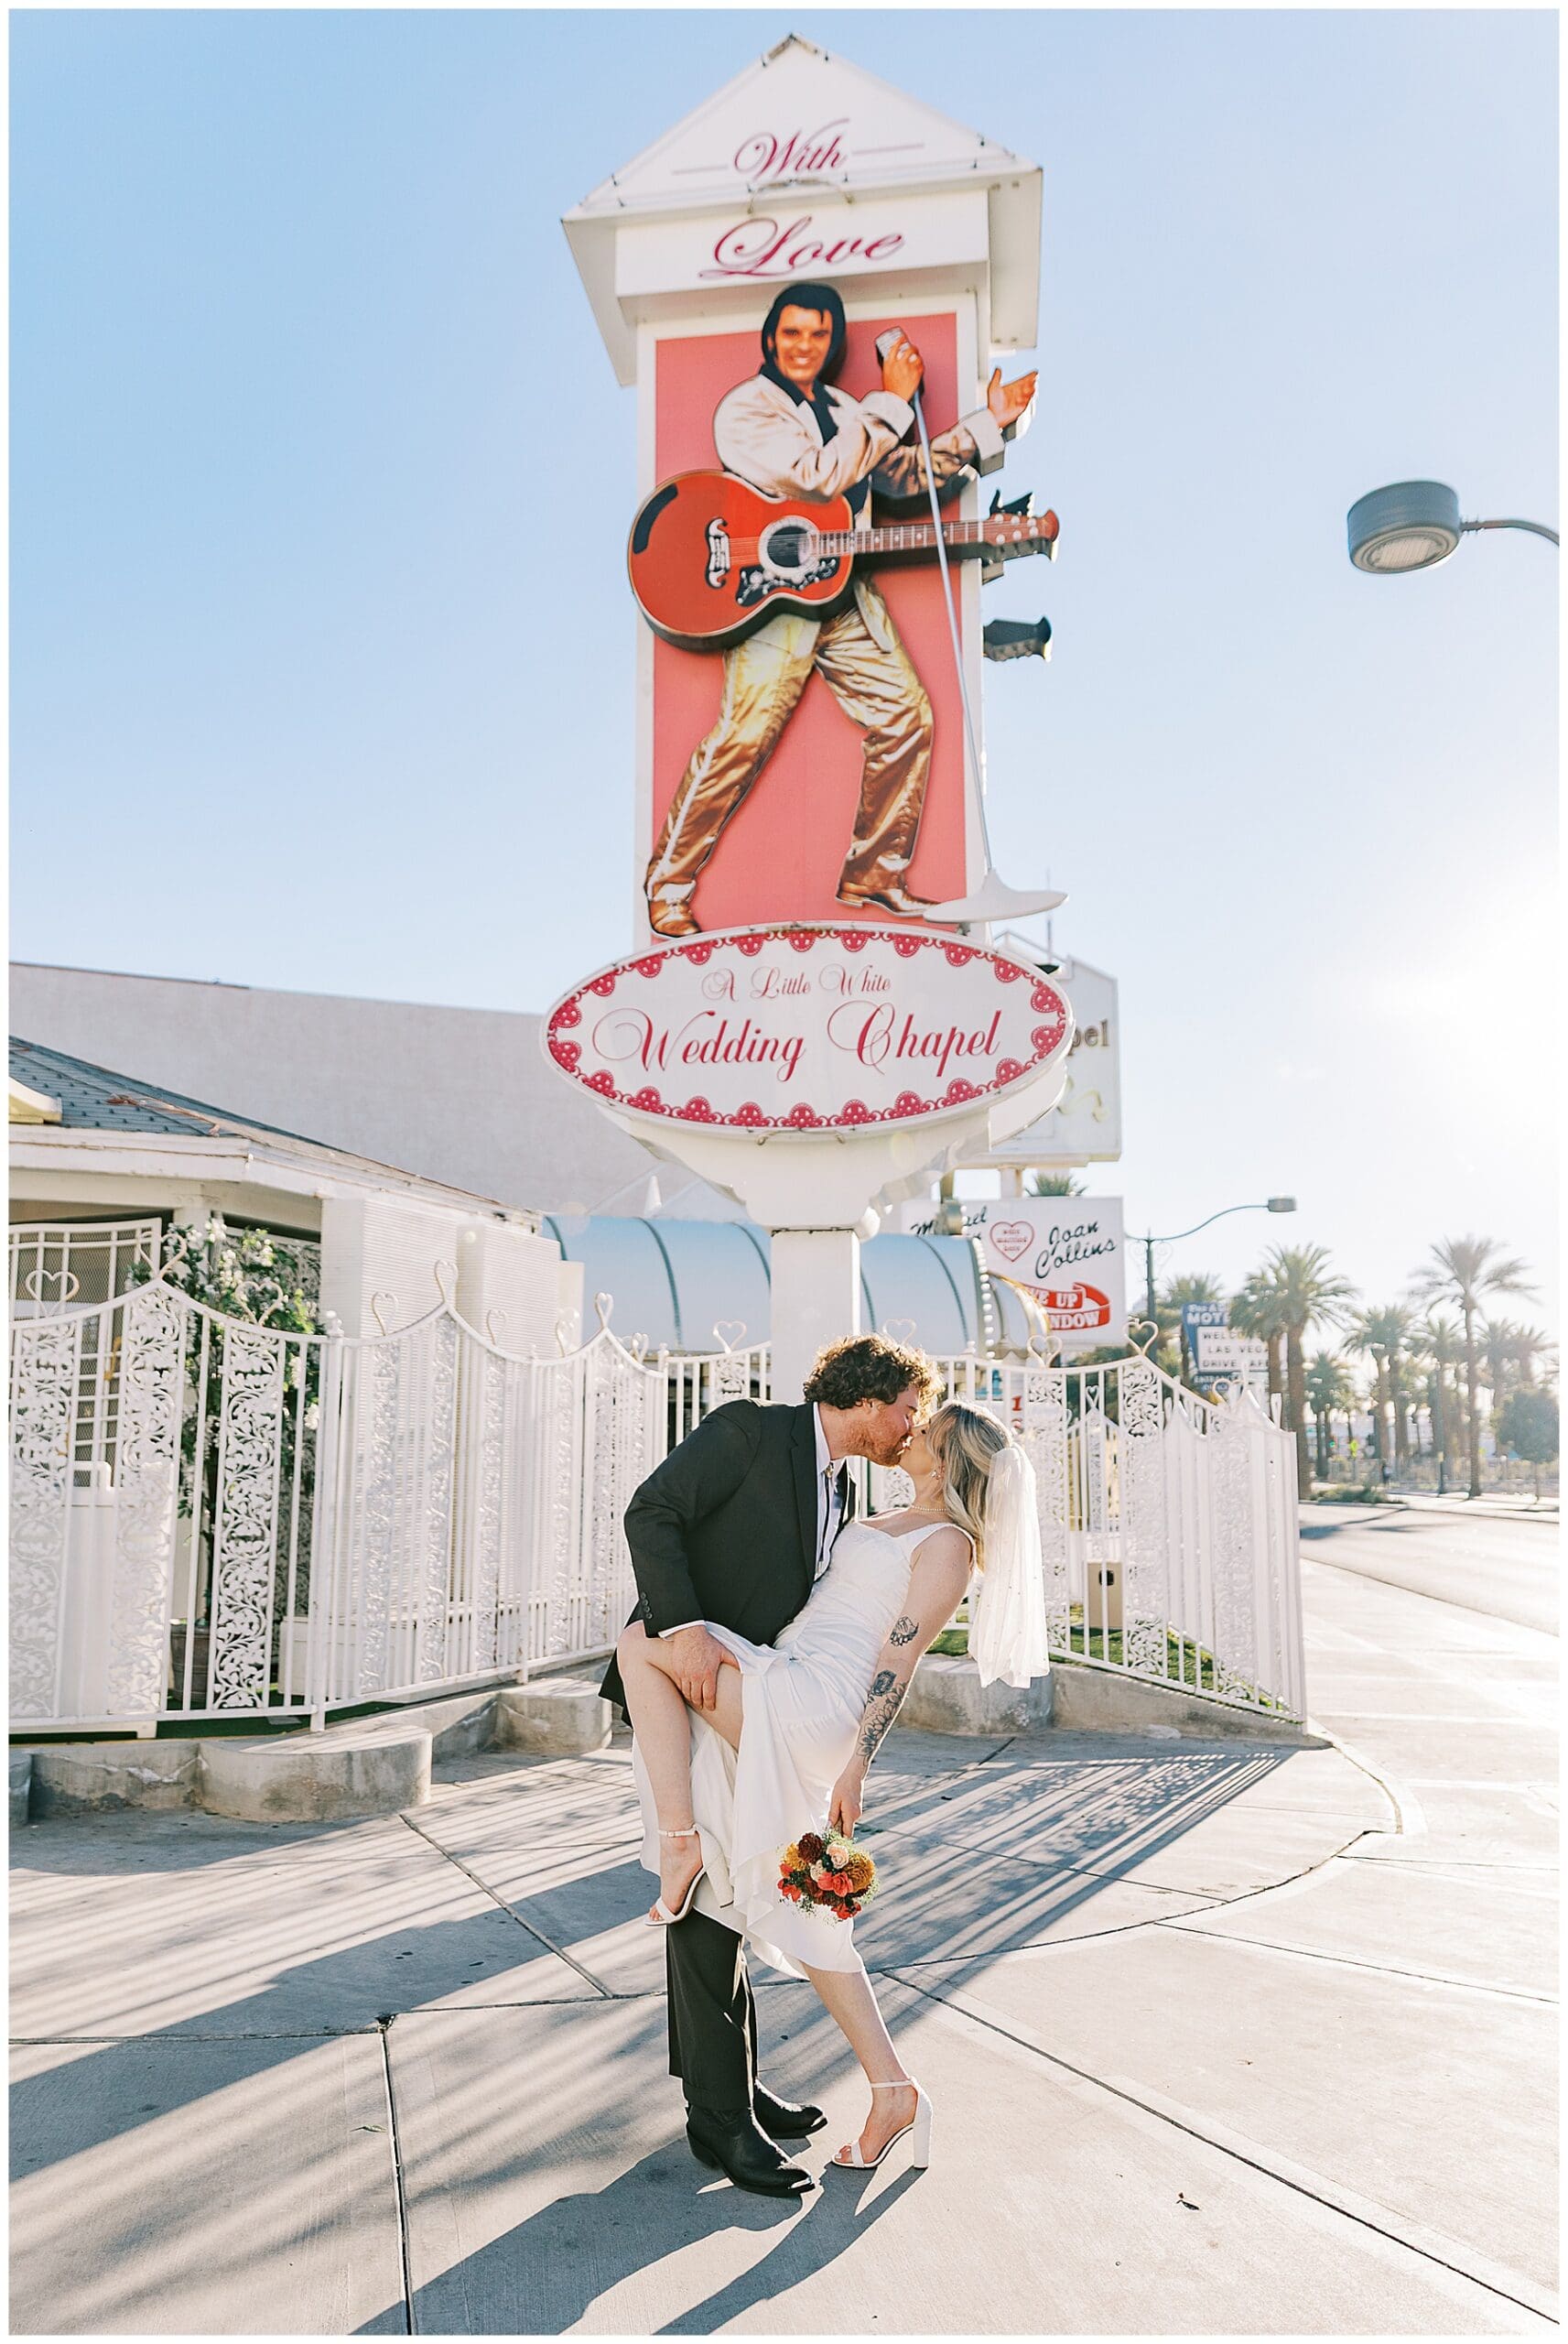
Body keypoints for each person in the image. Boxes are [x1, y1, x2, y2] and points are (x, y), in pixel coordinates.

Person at [614, 1360, 1049, 2187]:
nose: (913, 1426)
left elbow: (899, 1660)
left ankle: (678, 1847)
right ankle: (884, 2089)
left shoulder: (947, 1547)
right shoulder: (869, 1505)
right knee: (787, 1900)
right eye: (910, 1410)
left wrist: (857, 1763)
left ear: (953, 1460)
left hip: (814, 1706)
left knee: (645, 1642)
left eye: (929, 1423)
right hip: (782, 1675)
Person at [643, 278, 1038, 938]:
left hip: (840, 591)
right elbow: (819, 475)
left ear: (833, 342)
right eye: (792, 332)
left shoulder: (843, 406)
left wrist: (984, 426)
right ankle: (669, 885)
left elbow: (895, 478)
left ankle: (874, 873)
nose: (805, 345)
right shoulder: (745, 409)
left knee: (907, 717)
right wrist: (888, 397)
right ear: (770, 338)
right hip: (770, 596)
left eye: (819, 334)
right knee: (741, 742)